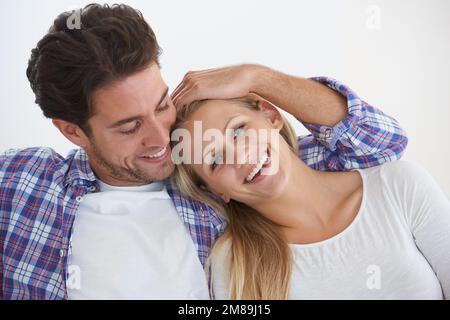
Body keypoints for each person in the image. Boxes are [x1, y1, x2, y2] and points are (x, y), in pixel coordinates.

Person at [0, 4, 408, 299]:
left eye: (162, 104)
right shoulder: (22, 183)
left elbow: (380, 144)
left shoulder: (218, 167)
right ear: (73, 131)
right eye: (130, 126)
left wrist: (260, 77)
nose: (162, 136)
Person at [172, 94, 450, 300]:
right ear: (216, 191)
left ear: (270, 116)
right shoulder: (234, 262)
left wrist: (256, 75)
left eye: (239, 130)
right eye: (216, 160)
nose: (239, 155)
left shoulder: (398, 185)